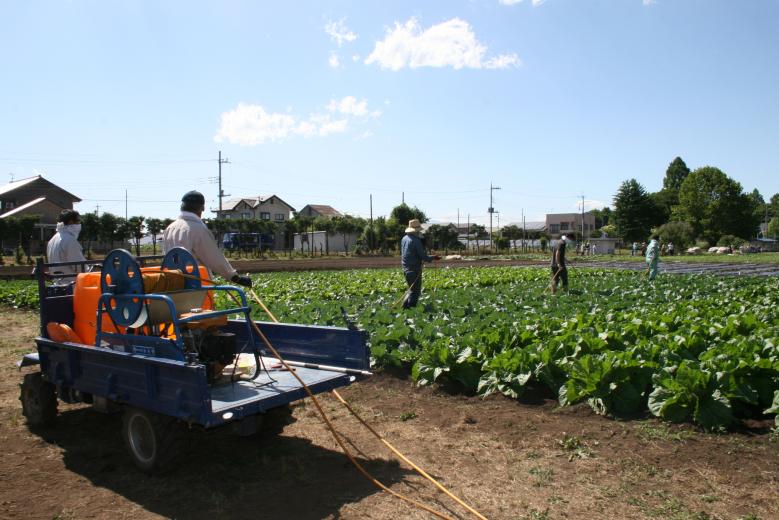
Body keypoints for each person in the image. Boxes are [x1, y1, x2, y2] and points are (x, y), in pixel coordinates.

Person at [163, 191, 252, 287]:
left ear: (182, 207)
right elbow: (214, 258)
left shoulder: (170, 228)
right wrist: (234, 277)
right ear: (201, 208)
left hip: (172, 282)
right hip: (195, 284)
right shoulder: (198, 229)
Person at [400, 219, 439, 309]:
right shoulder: (416, 241)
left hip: (405, 268)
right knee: (415, 292)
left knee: (411, 289)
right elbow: (424, 257)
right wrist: (434, 257)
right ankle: (410, 310)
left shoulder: (404, 239)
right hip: (414, 269)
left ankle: (404, 308)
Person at [46, 209, 87, 281]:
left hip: (58, 283)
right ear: (71, 222)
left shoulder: (53, 239)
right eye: (78, 221)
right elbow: (79, 266)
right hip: (72, 285)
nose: (79, 224)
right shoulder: (69, 240)